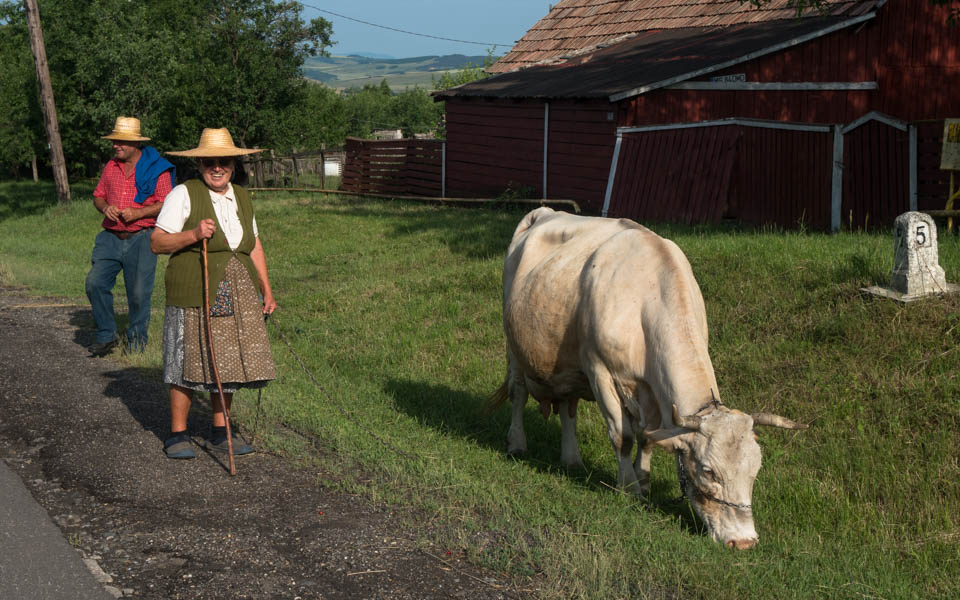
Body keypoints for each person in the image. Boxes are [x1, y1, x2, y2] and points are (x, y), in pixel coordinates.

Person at [150, 128, 276, 459]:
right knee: (185, 359)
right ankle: (178, 433)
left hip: (239, 288)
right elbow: (157, 242)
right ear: (200, 163)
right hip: (195, 287)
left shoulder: (243, 197)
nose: (216, 167)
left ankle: (222, 431)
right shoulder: (183, 194)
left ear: (234, 165)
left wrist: (267, 288)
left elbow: (254, 245)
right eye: (210, 162)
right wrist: (193, 234)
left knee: (229, 361)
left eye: (224, 161)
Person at [86, 117, 175, 357]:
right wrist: (106, 208)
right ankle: (106, 336)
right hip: (111, 237)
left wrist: (139, 212)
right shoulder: (111, 166)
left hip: (142, 237)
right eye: (115, 141)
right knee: (95, 282)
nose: (116, 145)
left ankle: (136, 343)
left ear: (135, 144)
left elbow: (167, 201)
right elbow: (98, 196)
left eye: (121, 141)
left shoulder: (158, 168)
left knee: (138, 293)